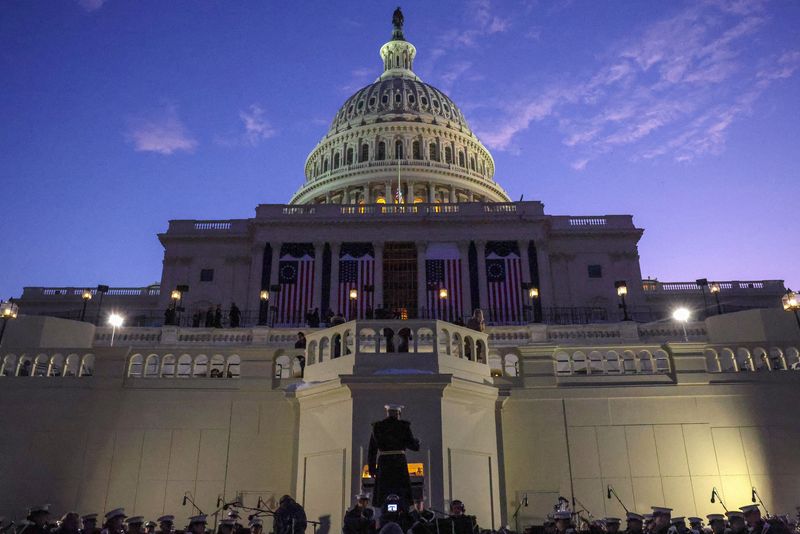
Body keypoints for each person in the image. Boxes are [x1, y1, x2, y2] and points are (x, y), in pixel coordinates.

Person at [368, 404, 420, 509]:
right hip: (399, 463)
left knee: (384, 492)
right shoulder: (403, 426)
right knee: (401, 491)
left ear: (387, 413)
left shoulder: (377, 427)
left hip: (384, 463)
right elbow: (413, 446)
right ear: (398, 413)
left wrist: (372, 469)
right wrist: (417, 442)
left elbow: (372, 450)